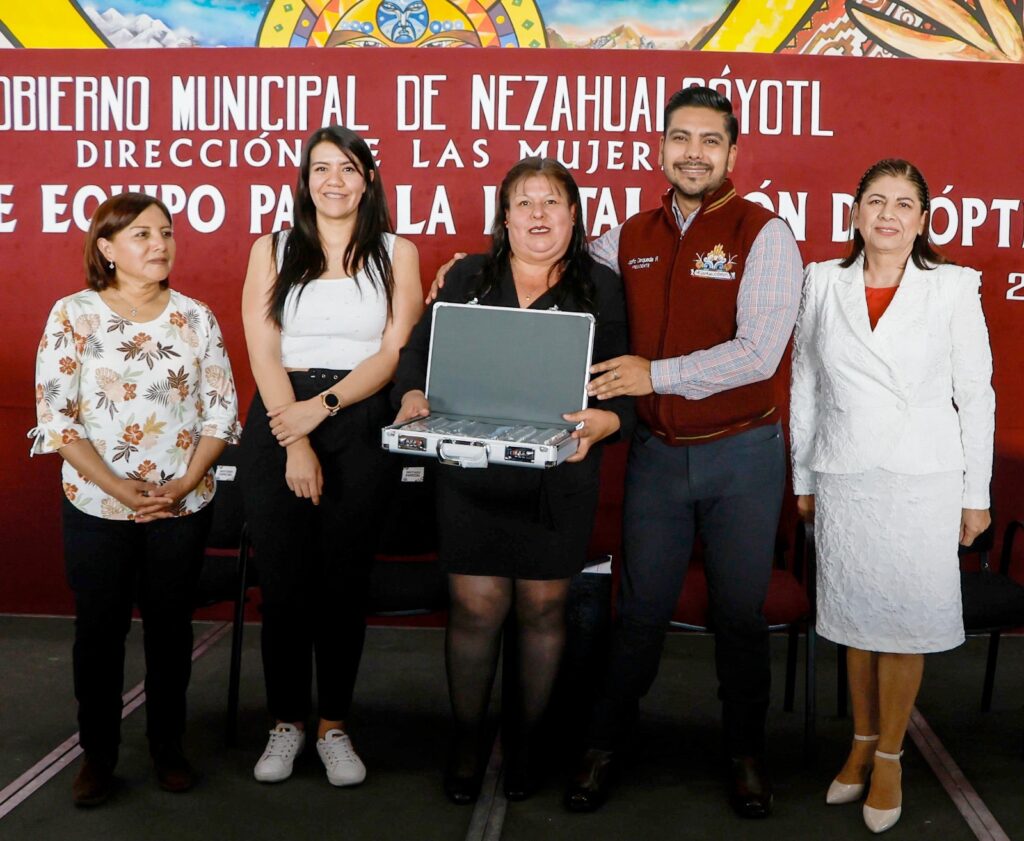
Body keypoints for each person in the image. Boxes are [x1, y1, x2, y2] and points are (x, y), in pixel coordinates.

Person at [564, 85, 804, 817]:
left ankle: (746, 754)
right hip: (660, 456)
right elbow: (558, 267)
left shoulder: (765, 233)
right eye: (681, 138)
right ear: (660, 147)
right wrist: (473, 270)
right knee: (639, 610)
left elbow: (759, 353)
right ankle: (604, 745)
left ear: (733, 153)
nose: (693, 153)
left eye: (709, 140)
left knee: (739, 614)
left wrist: (655, 375)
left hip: (743, 456)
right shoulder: (629, 236)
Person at [394, 157, 632, 804]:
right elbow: (417, 354)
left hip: (559, 482)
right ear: (504, 217)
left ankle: (526, 745)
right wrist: (412, 392)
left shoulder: (602, 287)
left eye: (551, 201)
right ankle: (468, 743)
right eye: (523, 202)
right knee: (475, 608)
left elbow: (621, 383)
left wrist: (607, 422)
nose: (537, 214)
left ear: (574, 216)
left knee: (543, 609)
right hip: (471, 475)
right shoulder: (468, 276)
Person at [790, 158, 993, 834]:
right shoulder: (823, 280)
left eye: (904, 204)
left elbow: (977, 395)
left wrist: (976, 494)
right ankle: (857, 744)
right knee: (855, 617)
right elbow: (804, 384)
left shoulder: (953, 287)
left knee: (902, 622)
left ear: (923, 220)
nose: (888, 214)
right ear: (854, 214)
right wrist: (803, 477)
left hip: (922, 479)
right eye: (876, 201)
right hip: (845, 473)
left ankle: (888, 758)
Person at [30, 192, 241, 806]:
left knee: (170, 632)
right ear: (107, 248)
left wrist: (183, 483)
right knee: (99, 634)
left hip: (180, 505)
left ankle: (167, 747)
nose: (159, 245)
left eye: (166, 233)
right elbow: (57, 419)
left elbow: (221, 413)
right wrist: (119, 488)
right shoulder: (73, 315)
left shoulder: (196, 318)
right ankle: (98, 756)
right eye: (143, 235)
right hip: (97, 507)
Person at [239, 126, 422, 787]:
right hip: (279, 416)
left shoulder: (398, 252)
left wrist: (325, 409)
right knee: (283, 583)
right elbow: (261, 344)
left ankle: (333, 727)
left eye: (347, 168)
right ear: (304, 181)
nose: (333, 181)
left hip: (358, 419)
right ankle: (286, 722)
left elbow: (395, 350)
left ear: (367, 179)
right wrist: (295, 437)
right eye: (320, 169)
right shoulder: (272, 247)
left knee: (344, 583)